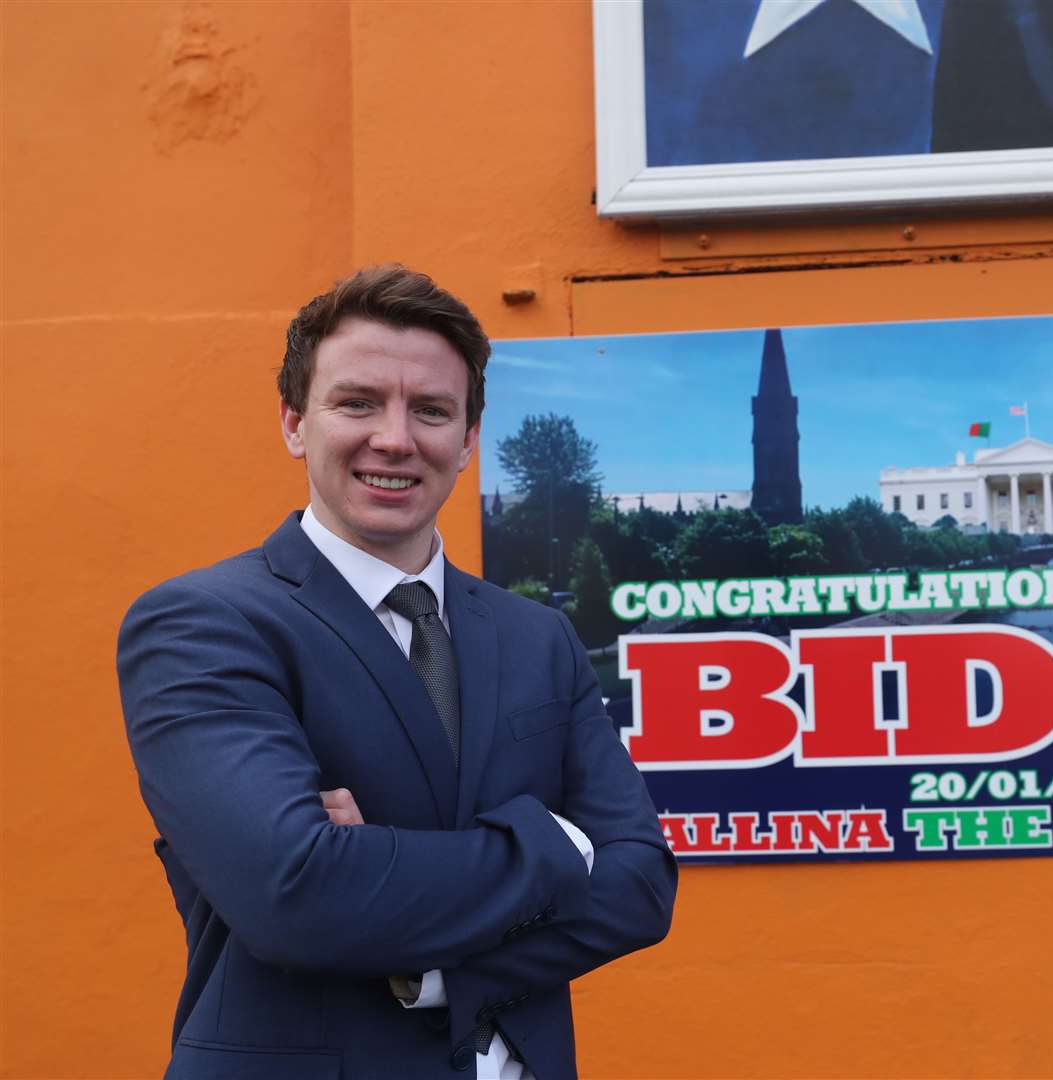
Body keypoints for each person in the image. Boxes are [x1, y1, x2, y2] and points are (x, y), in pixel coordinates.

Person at [117, 265, 676, 1080]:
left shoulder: (538, 638)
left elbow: (639, 883)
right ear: (294, 423)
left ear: (468, 440)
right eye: (357, 402)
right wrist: (557, 848)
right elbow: (294, 894)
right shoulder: (205, 624)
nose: (396, 438)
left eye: (432, 411)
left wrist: (426, 956)